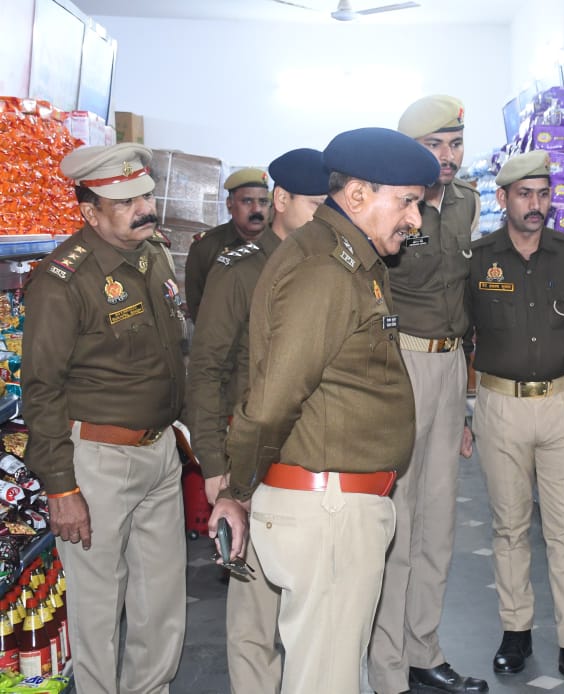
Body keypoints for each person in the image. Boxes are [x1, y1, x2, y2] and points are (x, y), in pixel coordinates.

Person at [208, 127, 439, 694]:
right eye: (407, 202)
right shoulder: (326, 271)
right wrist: (237, 489)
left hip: (335, 505)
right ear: (357, 195)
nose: (415, 220)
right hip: (328, 511)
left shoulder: (349, 260)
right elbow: (271, 402)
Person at [22, 143, 188, 693]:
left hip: (160, 452)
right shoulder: (62, 280)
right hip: (97, 462)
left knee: (161, 601)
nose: (144, 209)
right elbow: (41, 389)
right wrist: (60, 487)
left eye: (145, 196)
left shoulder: (153, 254)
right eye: (126, 202)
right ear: (90, 212)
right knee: (98, 608)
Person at [465, 150, 564, 691]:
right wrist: (458, 412)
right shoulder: (477, 260)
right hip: (499, 407)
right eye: (524, 195)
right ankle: (516, 633)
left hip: (563, 408)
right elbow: (460, 337)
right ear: (504, 198)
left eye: (543, 194)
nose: (535, 205)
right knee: (509, 527)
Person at [187, 148, 327, 694]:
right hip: (252, 454)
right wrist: (214, 465)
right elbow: (206, 370)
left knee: (314, 604)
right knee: (254, 609)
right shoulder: (240, 271)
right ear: (281, 201)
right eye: (316, 205)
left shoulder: (327, 265)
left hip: (312, 452)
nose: (326, 216)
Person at [369, 94, 486, 694]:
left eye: (455, 144)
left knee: (439, 521)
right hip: (402, 363)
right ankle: (388, 667)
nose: (447, 155)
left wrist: (465, 399)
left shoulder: (467, 203)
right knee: (398, 520)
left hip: (450, 367)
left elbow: (466, 298)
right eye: (434, 145)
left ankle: (424, 652)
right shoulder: (392, 203)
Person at [184, 168, 270, 319]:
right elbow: (198, 307)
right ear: (229, 204)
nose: (256, 209)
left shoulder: (281, 244)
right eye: (247, 201)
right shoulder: (206, 247)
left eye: (263, 202)